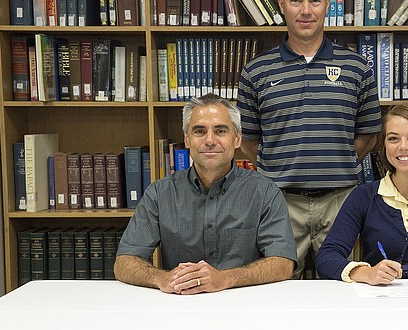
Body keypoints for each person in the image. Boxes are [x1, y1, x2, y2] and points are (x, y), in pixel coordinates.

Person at [237, 0, 382, 278]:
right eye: (296, 1)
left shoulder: (357, 68)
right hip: (280, 203)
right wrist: (281, 165)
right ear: (281, 4)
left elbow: (369, 135)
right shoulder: (255, 72)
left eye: (314, 1)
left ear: (327, 5)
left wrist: (335, 162)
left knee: (346, 286)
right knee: (278, 289)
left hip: (341, 201)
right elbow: (248, 141)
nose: (306, 11)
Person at [115, 94, 297, 294]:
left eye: (220, 131)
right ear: (187, 139)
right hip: (181, 303)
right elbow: (124, 262)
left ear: (237, 139)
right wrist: (162, 278)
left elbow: (283, 263)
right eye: (199, 131)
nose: (210, 140)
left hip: (245, 303)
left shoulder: (265, 192)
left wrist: (225, 278)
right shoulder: (159, 194)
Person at [316, 104, 408, 284]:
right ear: (383, 145)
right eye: (394, 138)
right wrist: (365, 272)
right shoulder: (363, 196)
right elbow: (326, 257)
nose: (403, 147)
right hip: (378, 302)